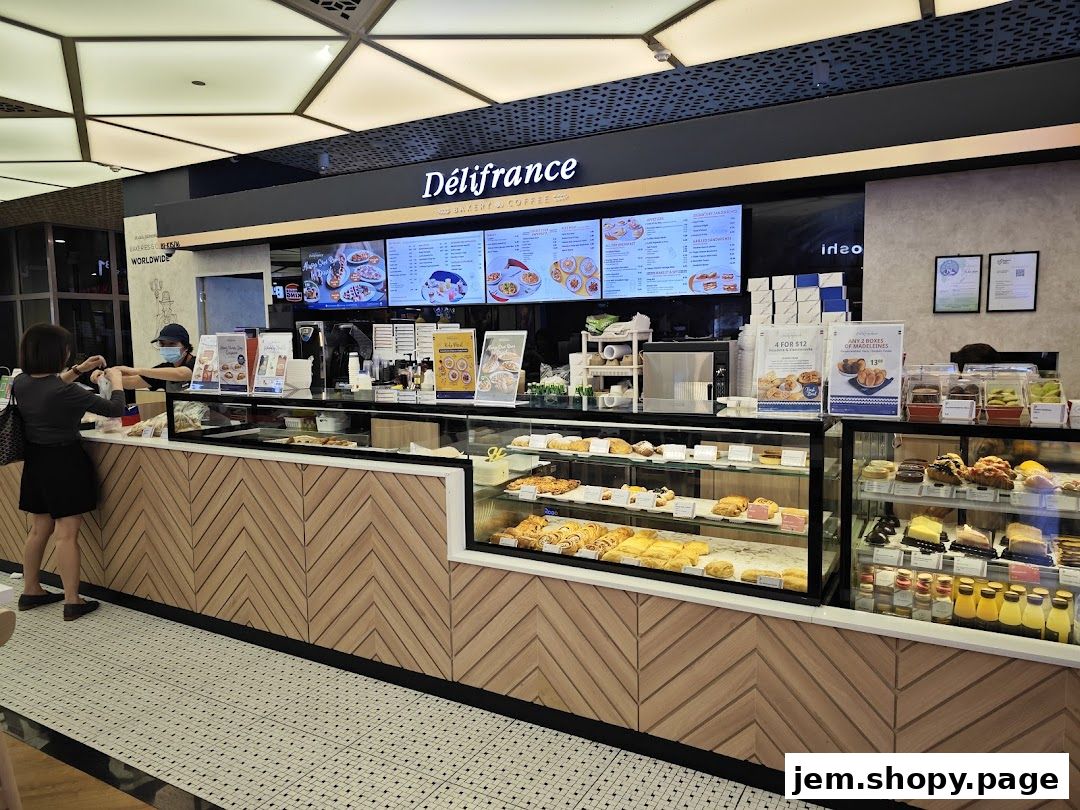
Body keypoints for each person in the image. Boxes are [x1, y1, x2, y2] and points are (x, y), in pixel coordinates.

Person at [12, 325, 125, 620]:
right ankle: (73, 600)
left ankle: (31, 590)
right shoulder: (67, 391)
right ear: (57, 353)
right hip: (64, 461)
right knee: (66, 533)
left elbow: (49, 386)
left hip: (36, 461)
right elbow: (115, 409)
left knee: (39, 529)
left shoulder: (21, 382)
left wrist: (78, 369)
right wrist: (117, 381)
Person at [100, 323, 195, 390]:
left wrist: (137, 370)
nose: (166, 348)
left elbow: (182, 374)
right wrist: (103, 377)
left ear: (185, 346)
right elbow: (131, 382)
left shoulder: (197, 363)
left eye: (172, 344)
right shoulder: (164, 369)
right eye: (162, 344)